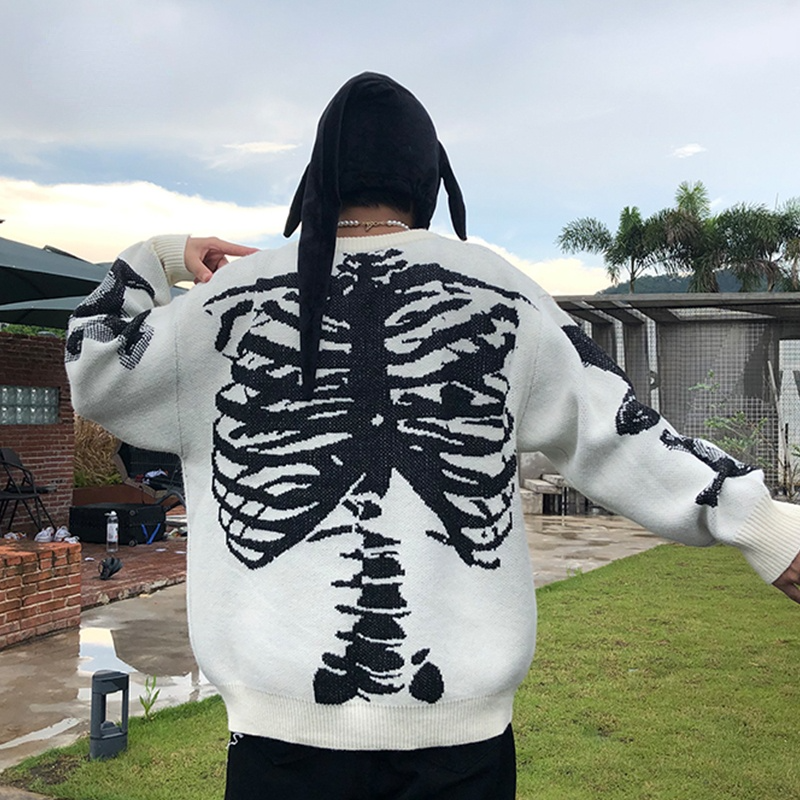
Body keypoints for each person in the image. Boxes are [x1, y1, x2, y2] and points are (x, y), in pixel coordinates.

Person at [66, 72, 800, 800]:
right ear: (431, 181)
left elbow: (97, 363)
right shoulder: (501, 290)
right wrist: (764, 528)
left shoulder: (228, 302)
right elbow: (622, 429)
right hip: (459, 750)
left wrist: (162, 256)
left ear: (317, 182)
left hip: (279, 746)